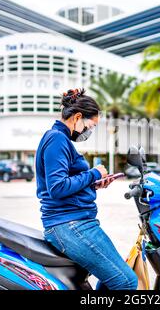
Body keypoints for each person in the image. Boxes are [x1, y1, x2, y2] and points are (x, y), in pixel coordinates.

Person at [35, 88, 138, 290]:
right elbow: (57, 187)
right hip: (68, 224)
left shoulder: (59, 139)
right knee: (125, 281)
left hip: (77, 221)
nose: (88, 132)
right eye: (90, 126)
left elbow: (67, 182)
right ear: (78, 117)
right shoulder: (57, 139)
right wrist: (94, 174)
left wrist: (93, 183)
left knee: (115, 277)